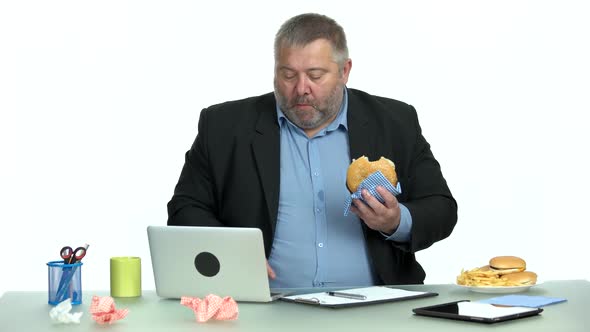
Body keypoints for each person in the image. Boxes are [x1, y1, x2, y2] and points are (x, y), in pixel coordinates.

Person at [167, 13, 457, 288]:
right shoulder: (224, 126)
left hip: (379, 305)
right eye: (288, 74)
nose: (301, 88)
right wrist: (231, 253)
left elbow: (441, 208)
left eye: (315, 75)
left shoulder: (395, 121)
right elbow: (185, 208)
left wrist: (396, 221)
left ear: (345, 71)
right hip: (266, 309)